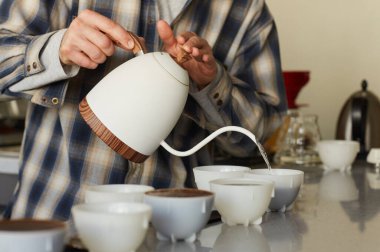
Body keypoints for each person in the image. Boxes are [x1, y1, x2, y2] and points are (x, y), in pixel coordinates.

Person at [0, 0, 287, 221]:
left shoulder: (246, 9)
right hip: (53, 224)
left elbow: (261, 135)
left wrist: (211, 84)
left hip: (174, 232)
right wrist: (57, 49)